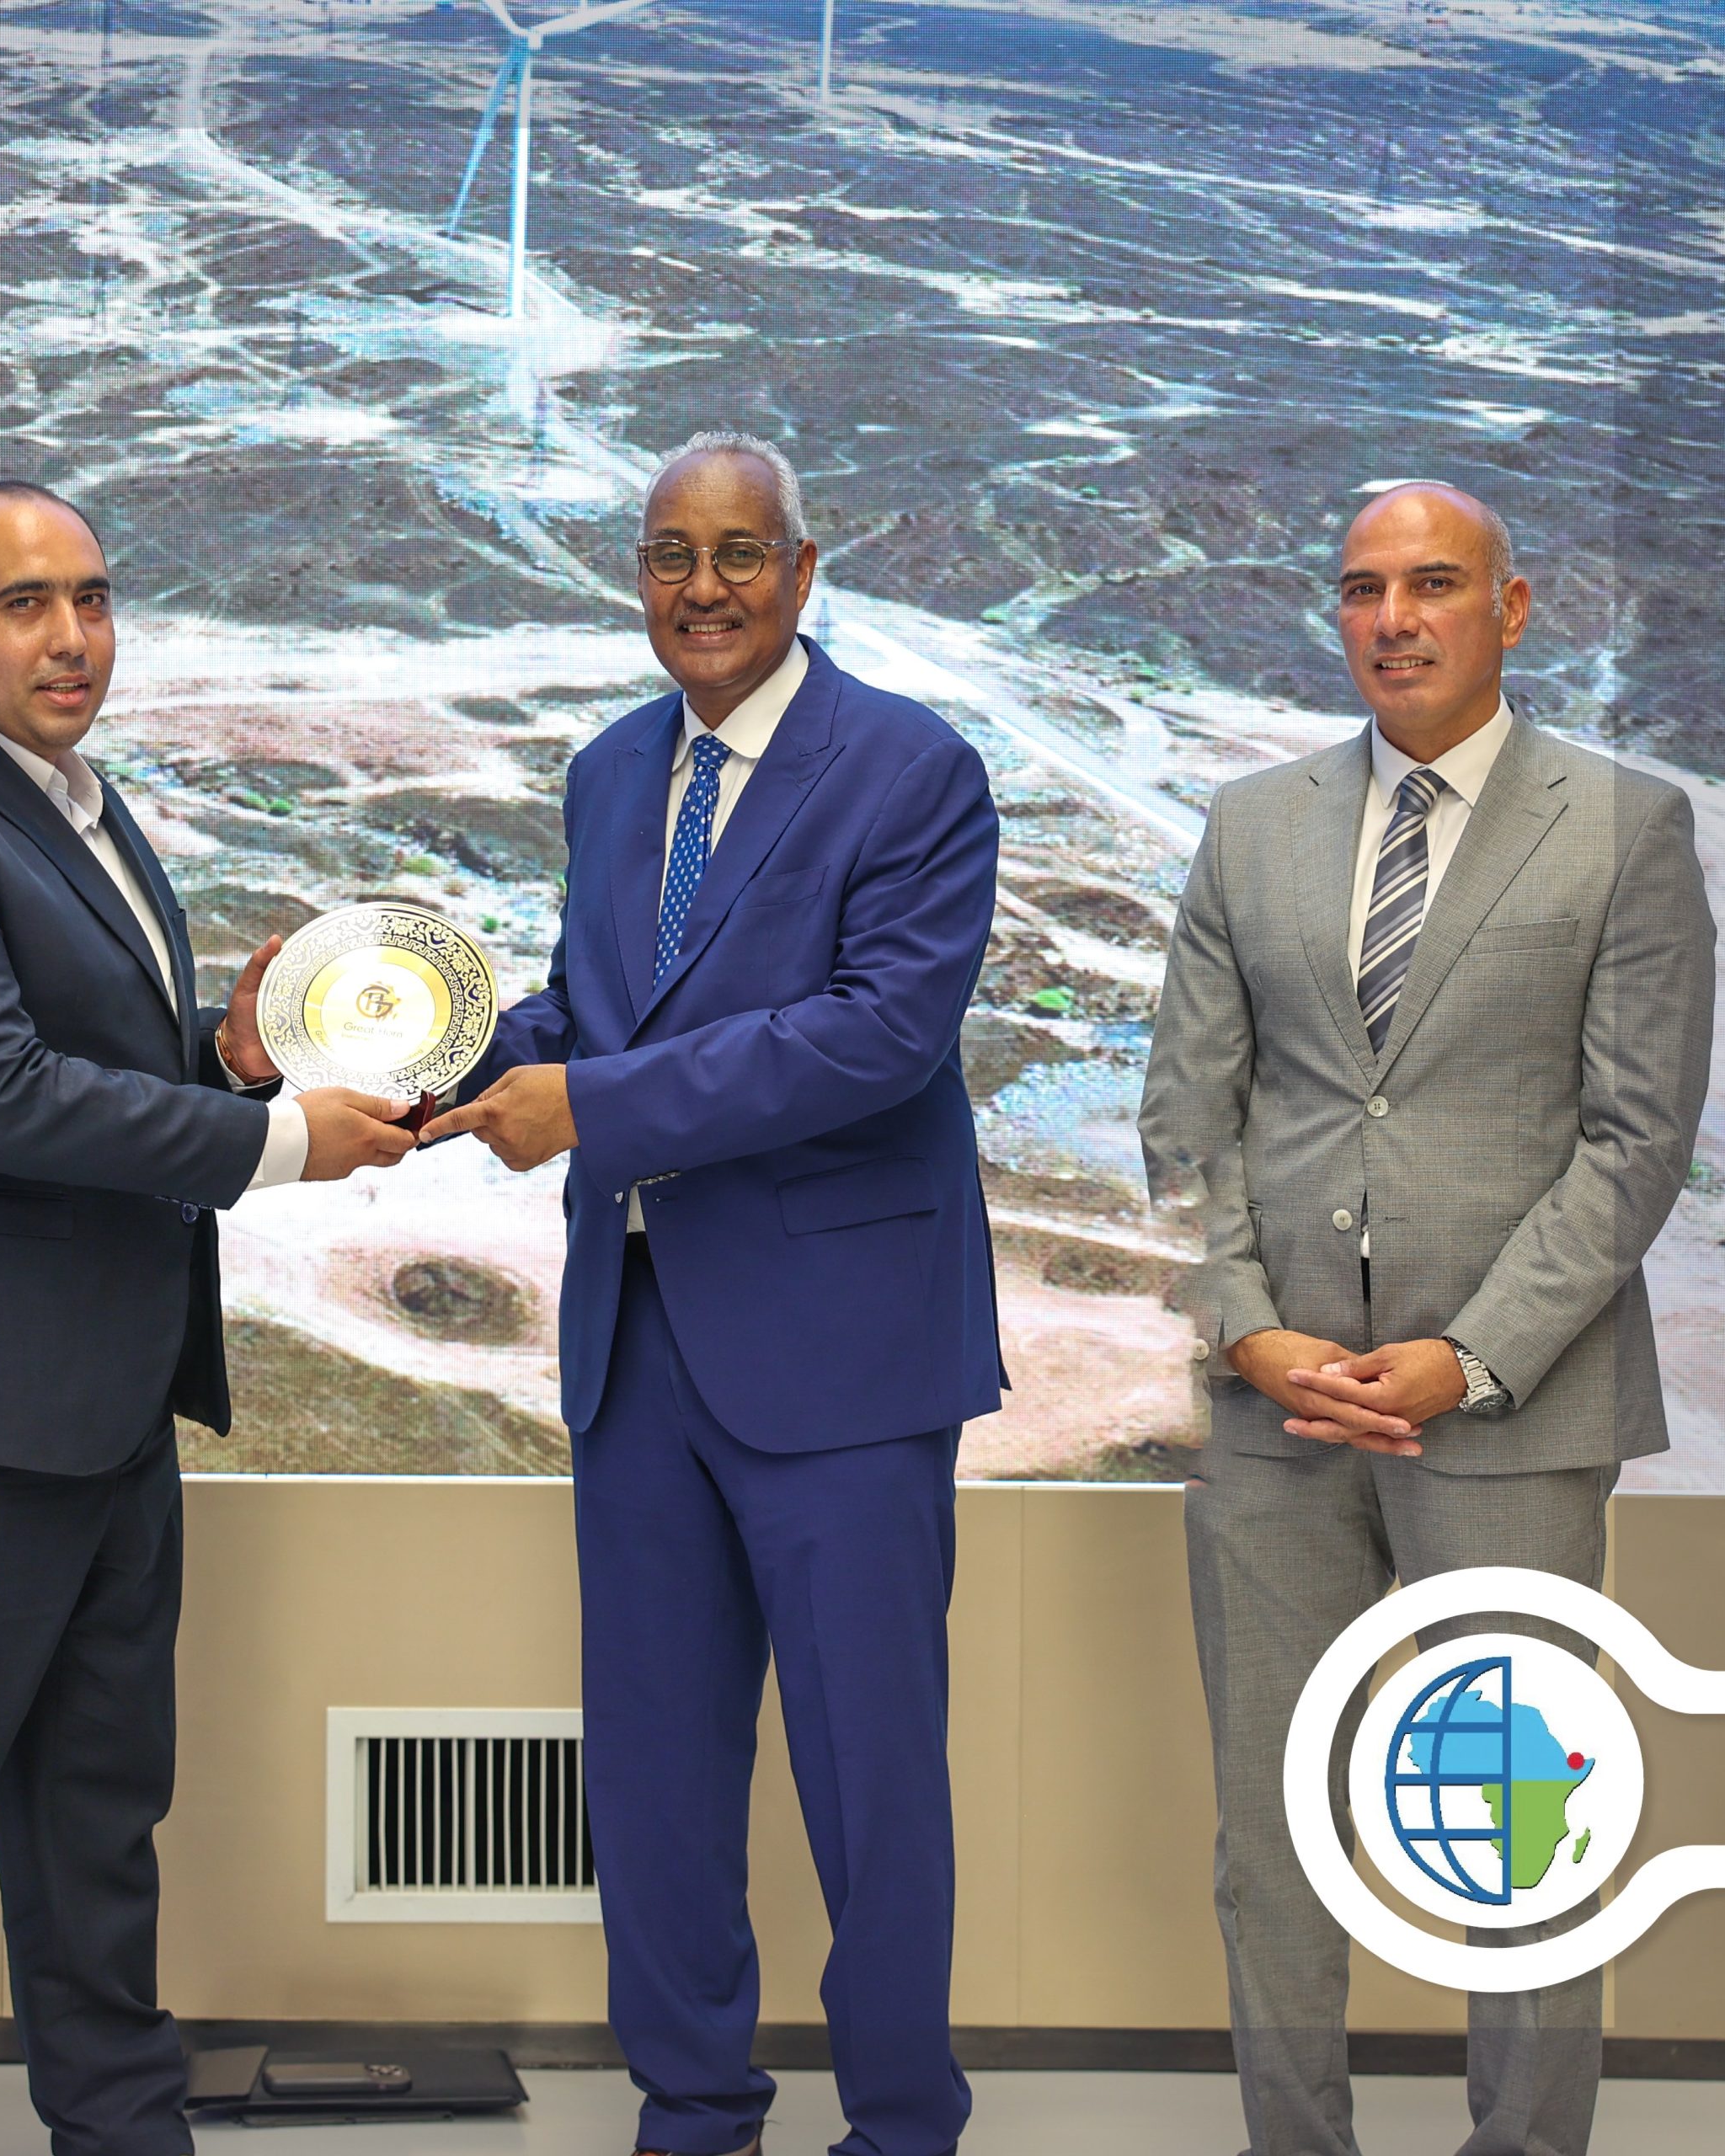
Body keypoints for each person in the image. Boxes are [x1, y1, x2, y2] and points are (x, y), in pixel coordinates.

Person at [0, 481, 414, 2156]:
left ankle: (120, 2130)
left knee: (96, 1832)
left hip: (98, 1416)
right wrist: (276, 1140)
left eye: (93, 599)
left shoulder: (69, 800)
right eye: (25, 602)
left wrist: (224, 1062)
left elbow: (78, 1057)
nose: (71, 637)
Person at [423, 432, 1001, 2156]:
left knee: (869, 1781)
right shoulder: (613, 771)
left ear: (802, 571)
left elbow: (876, 1037)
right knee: (655, 1772)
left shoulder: (910, 769)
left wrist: (591, 1106)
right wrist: (426, 1045)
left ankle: (899, 2124)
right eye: (669, 554)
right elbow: (586, 1008)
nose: (702, 587)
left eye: (739, 552)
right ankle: (690, 2110)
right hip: (637, 1344)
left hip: (842, 1358)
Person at [1138, 482, 1715, 2156]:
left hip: (1510, 1418)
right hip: (1275, 1415)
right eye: (1361, 589)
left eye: (1433, 583)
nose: (1392, 618)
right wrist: (1246, 1329)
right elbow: (1186, 1119)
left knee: (1521, 1838)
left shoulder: (1624, 826)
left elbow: (1635, 1142)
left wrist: (1470, 1358)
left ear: (1511, 608)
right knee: (1271, 1833)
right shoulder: (1249, 825)